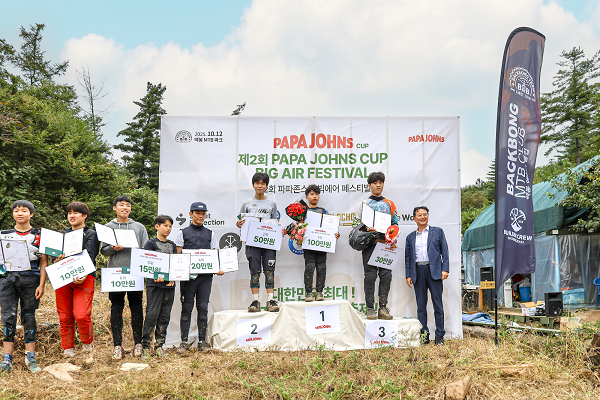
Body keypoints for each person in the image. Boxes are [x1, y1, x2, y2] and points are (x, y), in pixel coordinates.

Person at [0, 200, 48, 373]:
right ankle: (7, 359)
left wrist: (42, 284)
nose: (20, 213)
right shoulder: (3, 235)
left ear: (31, 214)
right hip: (7, 280)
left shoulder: (40, 235)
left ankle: (31, 357)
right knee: (8, 317)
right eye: (16, 210)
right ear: (13, 213)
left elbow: (44, 262)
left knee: (29, 316)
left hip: (31, 279)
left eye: (24, 210)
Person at [100, 195, 149, 359]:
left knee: (136, 307)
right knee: (116, 308)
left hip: (135, 273)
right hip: (115, 274)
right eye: (121, 205)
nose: (125, 208)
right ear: (114, 208)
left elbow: (146, 249)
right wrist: (113, 248)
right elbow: (104, 251)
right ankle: (117, 346)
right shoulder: (108, 227)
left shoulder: (139, 227)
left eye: (128, 205)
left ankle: (138, 344)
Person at [175, 202, 224, 352]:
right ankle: (184, 342)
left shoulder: (210, 234)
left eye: (203, 213)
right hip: (188, 279)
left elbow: (215, 254)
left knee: (203, 307)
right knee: (187, 308)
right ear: (190, 214)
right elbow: (177, 255)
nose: (200, 216)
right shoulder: (182, 233)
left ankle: (202, 342)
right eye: (197, 213)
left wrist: (218, 268)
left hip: (205, 278)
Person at [54, 202, 99, 364]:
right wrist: (56, 259)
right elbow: (54, 257)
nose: (71, 216)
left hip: (84, 277)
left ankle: (87, 349)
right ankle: (68, 352)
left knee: (81, 314)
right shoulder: (62, 234)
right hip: (63, 277)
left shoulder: (91, 234)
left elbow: (91, 256)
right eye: (69, 213)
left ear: (84, 216)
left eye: (76, 213)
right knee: (64, 315)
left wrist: (84, 273)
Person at [236, 172, 285, 313]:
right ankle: (255, 301)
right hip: (252, 243)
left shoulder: (272, 204)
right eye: (257, 183)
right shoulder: (246, 203)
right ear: (253, 185)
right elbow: (241, 221)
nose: (260, 186)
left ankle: (270, 300)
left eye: (263, 183)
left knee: (269, 271)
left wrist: (278, 231)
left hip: (268, 242)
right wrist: (239, 224)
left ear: (267, 186)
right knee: (255, 271)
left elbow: (274, 222)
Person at [355, 172, 398, 320]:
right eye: (375, 183)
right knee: (370, 276)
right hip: (369, 246)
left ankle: (383, 308)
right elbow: (356, 225)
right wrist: (367, 230)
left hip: (385, 245)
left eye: (381, 182)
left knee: (386, 276)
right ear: (369, 185)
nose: (378, 185)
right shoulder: (364, 204)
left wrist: (392, 238)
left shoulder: (389, 204)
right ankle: (370, 309)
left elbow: (395, 224)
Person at [405, 206, 449, 345]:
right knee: (421, 306)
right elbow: (408, 258)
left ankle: (440, 336)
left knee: (438, 305)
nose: (422, 217)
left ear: (428, 216)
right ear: (414, 218)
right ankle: (424, 335)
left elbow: (445, 252)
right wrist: (408, 275)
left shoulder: (438, 232)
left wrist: (445, 269)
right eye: (419, 215)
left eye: (425, 214)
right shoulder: (410, 237)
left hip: (435, 271)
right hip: (418, 271)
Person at [141, 215, 177, 359]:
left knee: (164, 316)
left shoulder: (172, 245)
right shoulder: (150, 243)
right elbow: (147, 263)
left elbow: (175, 264)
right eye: (165, 225)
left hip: (169, 285)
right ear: (157, 226)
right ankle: (145, 347)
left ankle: (159, 346)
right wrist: (155, 275)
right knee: (152, 315)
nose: (168, 229)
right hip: (154, 285)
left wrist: (173, 277)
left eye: (170, 226)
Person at [302, 185, 340, 302]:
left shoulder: (324, 211)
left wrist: (334, 235)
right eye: (312, 194)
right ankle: (308, 293)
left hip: (322, 246)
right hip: (309, 246)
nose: (314, 196)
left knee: (321, 268)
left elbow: (330, 228)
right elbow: (299, 227)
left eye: (317, 194)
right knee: (309, 268)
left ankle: (319, 292)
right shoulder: (303, 212)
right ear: (306, 197)